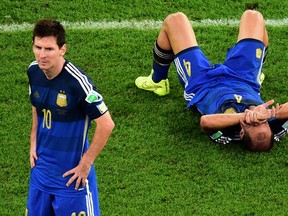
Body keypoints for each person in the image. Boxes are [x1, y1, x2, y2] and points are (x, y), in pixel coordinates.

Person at [135, 10, 288, 152]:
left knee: (175, 20)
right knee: (254, 17)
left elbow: (205, 122)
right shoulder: (274, 128)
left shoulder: (226, 133)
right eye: (263, 122)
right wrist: (268, 114)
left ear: (241, 133)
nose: (257, 119)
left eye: (253, 123)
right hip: (244, 80)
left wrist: (245, 116)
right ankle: (257, 73)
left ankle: (157, 81)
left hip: (203, 84)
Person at [26, 19, 115, 215]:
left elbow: (106, 124)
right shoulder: (34, 71)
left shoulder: (78, 83)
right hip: (40, 175)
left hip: (72, 182)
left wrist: (85, 165)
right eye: (37, 47)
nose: (42, 55)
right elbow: (36, 105)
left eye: (49, 49)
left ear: (62, 49)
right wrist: (33, 138)